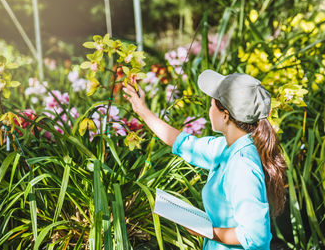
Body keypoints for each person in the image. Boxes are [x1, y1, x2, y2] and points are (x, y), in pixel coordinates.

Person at [122, 69, 287, 250]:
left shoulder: (242, 165)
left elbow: (255, 235)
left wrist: (206, 230)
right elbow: (182, 143)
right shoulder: (225, 148)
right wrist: (142, 110)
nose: (209, 111)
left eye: (212, 105)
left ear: (225, 115)